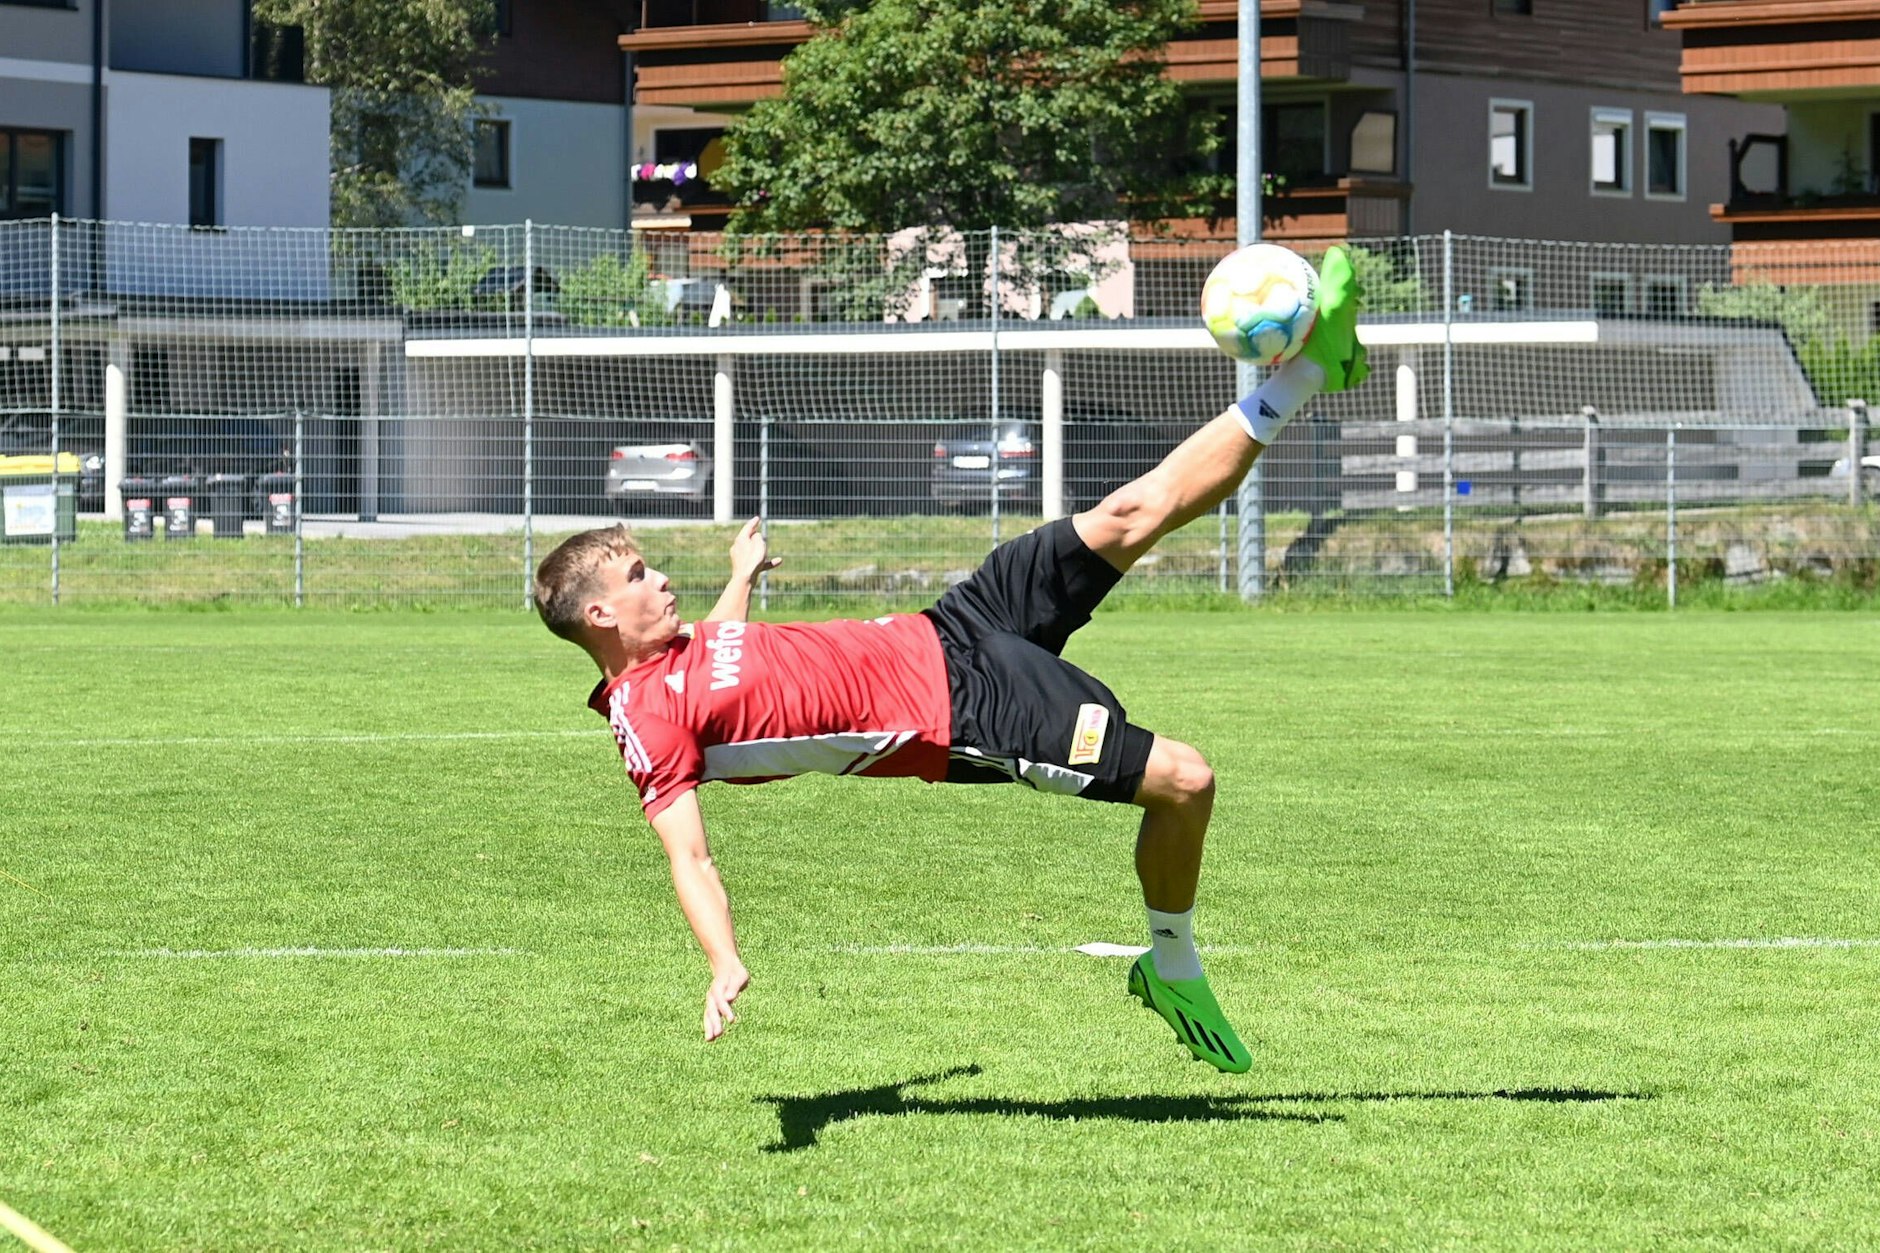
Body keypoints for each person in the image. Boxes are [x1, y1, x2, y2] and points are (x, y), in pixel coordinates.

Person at [531, 248, 1369, 1074]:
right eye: (640, 575)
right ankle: (1173, 964)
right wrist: (721, 958)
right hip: (962, 714)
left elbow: (725, 653)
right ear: (600, 614)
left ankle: (1303, 374)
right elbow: (689, 854)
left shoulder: (682, 648)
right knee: (1186, 780)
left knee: (1125, 512)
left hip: (956, 622)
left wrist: (740, 578)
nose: (661, 575)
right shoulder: (646, 718)